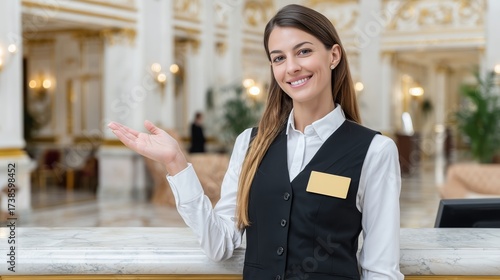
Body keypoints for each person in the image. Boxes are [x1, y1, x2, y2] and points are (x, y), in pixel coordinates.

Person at [108, 4, 403, 279]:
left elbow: (380, 268)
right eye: (279, 58)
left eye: (303, 52)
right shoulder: (249, 143)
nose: (291, 67)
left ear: (334, 55)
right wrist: (176, 162)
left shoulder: (375, 151)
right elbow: (220, 244)